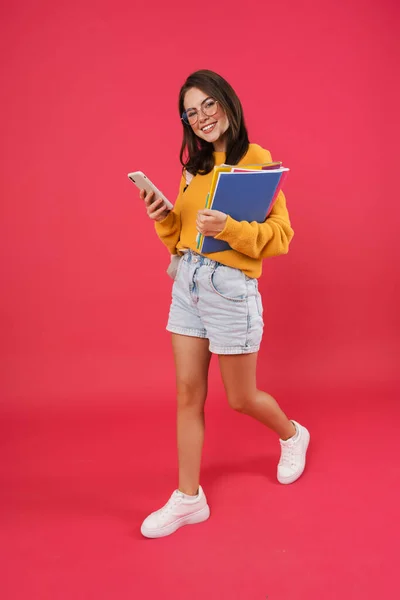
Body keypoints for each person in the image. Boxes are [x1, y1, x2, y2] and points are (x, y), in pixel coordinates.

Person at [139, 70, 310, 539]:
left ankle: (293, 435)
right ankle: (188, 499)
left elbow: (281, 236)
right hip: (188, 283)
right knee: (188, 394)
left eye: (207, 105)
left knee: (240, 398)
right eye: (191, 112)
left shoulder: (257, 162)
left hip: (231, 289)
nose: (201, 118)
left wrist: (229, 229)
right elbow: (178, 239)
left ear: (227, 102)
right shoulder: (193, 169)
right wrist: (163, 218)